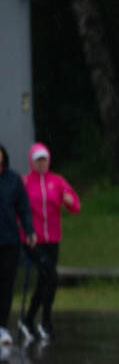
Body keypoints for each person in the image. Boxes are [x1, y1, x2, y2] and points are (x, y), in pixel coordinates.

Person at [19, 142, 80, 343]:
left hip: (53, 238)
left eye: (44, 159)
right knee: (51, 276)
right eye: (38, 160)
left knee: (45, 280)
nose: (42, 163)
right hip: (33, 240)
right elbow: (18, 210)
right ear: (32, 162)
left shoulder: (57, 181)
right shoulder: (26, 182)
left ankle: (29, 319)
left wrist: (69, 202)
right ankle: (45, 320)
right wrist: (26, 233)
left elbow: (74, 204)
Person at [0, 144, 36, 348]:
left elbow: (23, 209)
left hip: (9, 240)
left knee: (6, 284)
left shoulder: (13, 180)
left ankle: (2, 326)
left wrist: (29, 231)